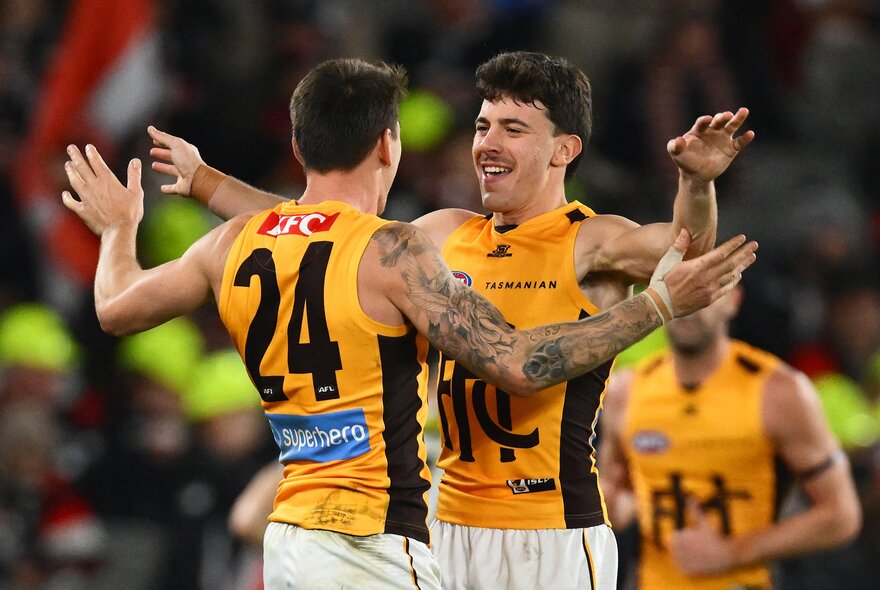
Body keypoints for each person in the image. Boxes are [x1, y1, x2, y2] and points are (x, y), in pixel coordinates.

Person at [62, 57, 755, 590]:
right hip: (440, 523)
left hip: (547, 526)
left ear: (564, 149)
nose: (487, 142)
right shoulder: (439, 233)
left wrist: (696, 184)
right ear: (388, 146)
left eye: (512, 129)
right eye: (482, 126)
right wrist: (208, 183)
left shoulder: (594, 239)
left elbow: (686, 255)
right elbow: (324, 235)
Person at [599, 286, 862, 590]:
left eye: (705, 290)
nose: (689, 305)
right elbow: (620, 499)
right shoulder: (624, 392)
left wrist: (732, 552)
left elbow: (841, 516)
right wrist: (611, 506)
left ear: (734, 300)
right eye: (677, 288)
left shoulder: (779, 392)